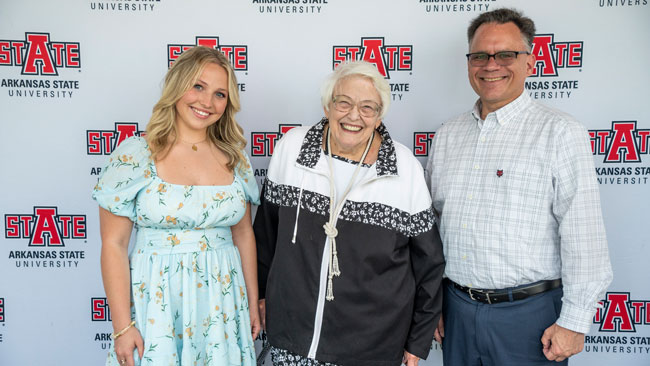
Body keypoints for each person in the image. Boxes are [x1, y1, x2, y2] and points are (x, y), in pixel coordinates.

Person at [425, 8, 613, 365]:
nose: (491, 65)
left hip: (529, 319)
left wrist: (574, 322)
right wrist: (431, 302)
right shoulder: (448, 135)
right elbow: (431, 229)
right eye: (480, 55)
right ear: (469, 63)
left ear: (530, 62)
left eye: (506, 55)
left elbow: (583, 233)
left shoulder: (559, 132)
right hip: (456, 312)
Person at [253, 61, 445, 366]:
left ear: (380, 115)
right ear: (327, 106)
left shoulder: (404, 167)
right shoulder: (292, 149)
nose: (354, 115)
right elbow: (265, 235)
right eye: (344, 102)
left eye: (368, 107)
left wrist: (418, 339)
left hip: (373, 348)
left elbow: (429, 263)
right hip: (293, 338)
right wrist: (261, 295)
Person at [92, 46, 260, 366]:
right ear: (177, 86)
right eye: (198, 86)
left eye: (220, 94)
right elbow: (113, 244)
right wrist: (122, 326)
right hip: (157, 302)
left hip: (223, 303)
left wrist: (251, 303)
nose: (207, 102)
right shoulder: (136, 154)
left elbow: (243, 236)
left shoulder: (236, 158)